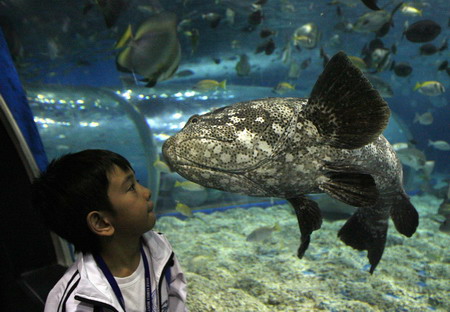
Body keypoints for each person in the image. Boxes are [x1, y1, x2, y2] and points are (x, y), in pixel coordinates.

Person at [32, 149, 188, 312]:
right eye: (131, 188)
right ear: (101, 223)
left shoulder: (159, 248)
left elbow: (176, 303)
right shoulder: (75, 303)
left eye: (138, 181)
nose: (146, 192)